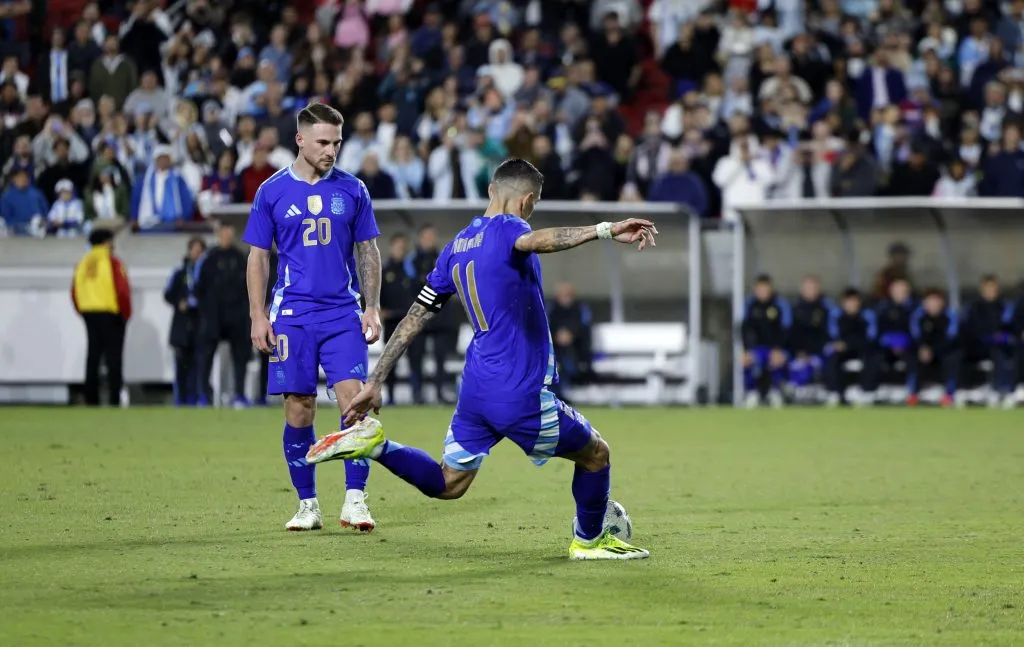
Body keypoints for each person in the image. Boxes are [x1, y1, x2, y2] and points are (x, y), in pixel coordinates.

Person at [305, 159, 654, 560]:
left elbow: (414, 318)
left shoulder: (456, 246)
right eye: (533, 206)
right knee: (596, 455)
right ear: (525, 202)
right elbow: (536, 241)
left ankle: (377, 446)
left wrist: (375, 380)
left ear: (490, 191)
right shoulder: (511, 228)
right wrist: (606, 230)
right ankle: (590, 542)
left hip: (476, 388)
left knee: (448, 482)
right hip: (517, 389)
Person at [244, 102, 383, 533]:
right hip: (292, 316)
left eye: (337, 142)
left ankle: (356, 501)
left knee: (356, 406)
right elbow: (257, 258)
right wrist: (258, 315)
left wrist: (372, 305)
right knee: (299, 410)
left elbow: (368, 252)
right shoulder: (271, 191)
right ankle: (308, 505)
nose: (331, 150)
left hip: (342, 313)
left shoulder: (354, 189)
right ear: (300, 140)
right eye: (323, 142)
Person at [71, 228, 132, 406]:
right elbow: (122, 290)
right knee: (114, 357)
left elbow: (74, 290)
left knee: (93, 356)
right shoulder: (112, 262)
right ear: (106, 242)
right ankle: (114, 399)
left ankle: (91, 399)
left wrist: (82, 311)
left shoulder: (83, 262)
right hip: (110, 312)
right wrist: (125, 314)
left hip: (89, 312)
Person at [194, 223, 252, 408]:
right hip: (213, 317)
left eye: (230, 233)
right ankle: (204, 395)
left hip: (237, 316)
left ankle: (240, 395)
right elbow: (198, 288)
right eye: (224, 233)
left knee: (240, 357)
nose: (227, 236)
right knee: (206, 357)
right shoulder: (208, 258)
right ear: (218, 234)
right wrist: (207, 312)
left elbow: (249, 287)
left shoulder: (241, 258)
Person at [164, 237, 206, 406]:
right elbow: (168, 294)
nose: (196, 253)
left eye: (199, 250)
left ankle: (195, 397)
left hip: (199, 323)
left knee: (198, 363)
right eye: (194, 249)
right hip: (181, 325)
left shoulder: (205, 272)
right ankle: (180, 398)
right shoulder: (180, 272)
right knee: (181, 363)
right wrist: (179, 302)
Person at [741, 274, 792, 408]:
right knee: (747, 360)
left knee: (777, 359)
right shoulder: (749, 305)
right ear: (755, 289)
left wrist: (779, 349)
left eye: (765, 288)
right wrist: (747, 350)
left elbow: (786, 330)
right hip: (757, 348)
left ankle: (775, 392)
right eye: (760, 289)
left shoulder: (780, 304)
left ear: (770, 288)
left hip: (776, 348)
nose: (763, 292)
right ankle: (752, 393)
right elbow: (744, 329)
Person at [823, 288, 878, 406]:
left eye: (854, 301)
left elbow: (871, 337)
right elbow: (833, 335)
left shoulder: (867, 315)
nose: (851, 304)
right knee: (831, 357)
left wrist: (848, 344)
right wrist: (839, 345)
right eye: (848, 301)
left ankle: (867, 392)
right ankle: (835, 392)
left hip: (863, 349)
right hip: (842, 351)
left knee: (874, 357)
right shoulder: (836, 315)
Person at [907, 289, 961, 407]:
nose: (933, 305)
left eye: (936, 301)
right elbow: (915, 336)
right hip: (923, 352)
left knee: (953, 359)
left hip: (943, 351)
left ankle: (949, 395)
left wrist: (933, 351)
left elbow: (951, 338)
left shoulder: (950, 316)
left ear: (942, 302)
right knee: (911, 357)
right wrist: (923, 348)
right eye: (929, 301)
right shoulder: (918, 316)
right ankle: (912, 395)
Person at [380, 232, 415, 405]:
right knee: (390, 361)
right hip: (392, 322)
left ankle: (418, 395)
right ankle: (391, 397)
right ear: (391, 247)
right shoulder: (384, 270)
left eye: (404, 246)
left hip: (412, 322)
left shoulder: (410, 270)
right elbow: (375, 298)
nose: (401, 249)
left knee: (416, 358)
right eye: (398, 246)